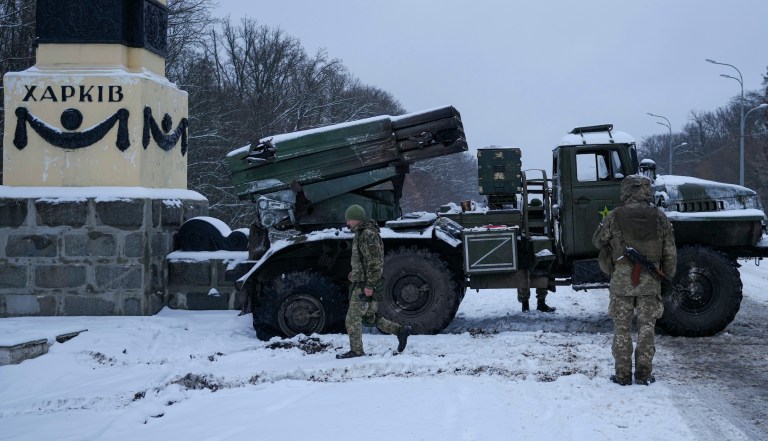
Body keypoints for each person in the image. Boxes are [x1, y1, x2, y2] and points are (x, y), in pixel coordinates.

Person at [592, 175, 677, 386]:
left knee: (622, 330)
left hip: (622, 282)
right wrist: (666, 277)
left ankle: (622, 376)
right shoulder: (660, 217)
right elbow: (669, 251)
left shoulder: (614, 216)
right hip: (650, 282)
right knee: (647, 329)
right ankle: (643, 375)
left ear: (626, 191)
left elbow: (598, 241)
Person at [336, 204, 411, 359]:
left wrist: (369, 285)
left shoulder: (368, 234)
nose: (347, 223)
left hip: (366, 284)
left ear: (357, 218)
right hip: (363, 281)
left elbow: (375, 262)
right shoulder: (361, 233)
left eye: (349, 219)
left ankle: (356, 351)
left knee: (352, 318)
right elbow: (364, 260)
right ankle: (400, 330)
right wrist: (355, 273)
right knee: (369, 318)